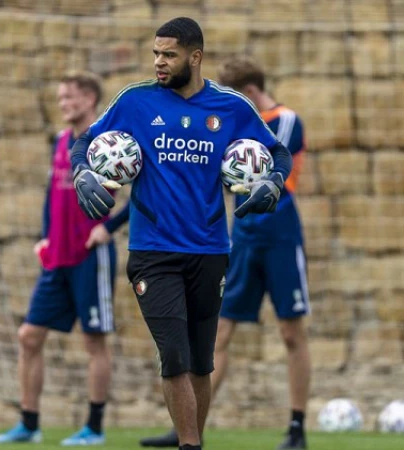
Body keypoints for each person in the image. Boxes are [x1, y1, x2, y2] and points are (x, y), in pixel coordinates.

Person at [70, 18, 293, 450]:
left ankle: (192, 440)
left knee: (201, 364)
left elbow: (278, 151)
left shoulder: (231, 107)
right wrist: (82, 173)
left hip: (211, 250)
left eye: (168, 55)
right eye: (156, 53)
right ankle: (190, 446)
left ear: (195, 57)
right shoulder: (134, 102)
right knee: (173, 356)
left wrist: (273, 181)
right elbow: (84, 141)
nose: (159, 62)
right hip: (153, 251)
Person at [139, 57, 311, 450]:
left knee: (290, 331)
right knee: (219, 335)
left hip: (282, 238)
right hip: (243, 239)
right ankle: (189, 427)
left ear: (248, 93)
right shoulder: (228, 123)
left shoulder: (285, 120)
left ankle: (297, 427)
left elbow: (271, 158)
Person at [0, 71, 130, 446]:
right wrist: (44, 237)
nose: (63, 104)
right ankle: (29, 424)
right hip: (58, 256)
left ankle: (94, 429)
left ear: (88, 99)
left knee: (94, 342)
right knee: (29, 336)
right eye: (60, 97)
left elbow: (146, 193)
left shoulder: (108, 142)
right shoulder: (61, 141)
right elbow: (53, 194)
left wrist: (109, 227)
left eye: (68, 97)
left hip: (91, 256)